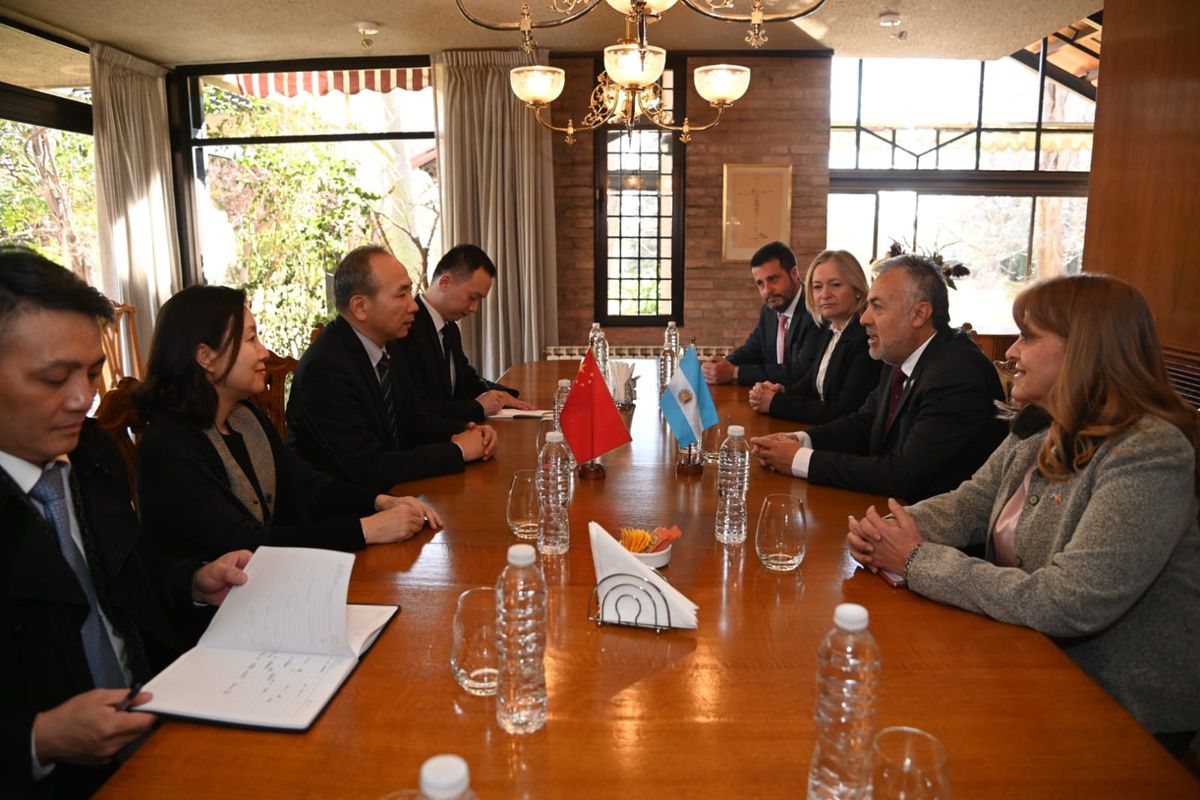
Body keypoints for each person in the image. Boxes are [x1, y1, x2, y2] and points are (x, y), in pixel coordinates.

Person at [846, 274, 1200, 747]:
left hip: (1119, 719)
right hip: (1025, 666)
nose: (1010, 352)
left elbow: (1069, 601)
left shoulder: (1150, 452)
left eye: (1028, 337)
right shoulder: (1038, 431)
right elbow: (969, 503)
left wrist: (914, 559)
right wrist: (884, 533)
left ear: (1085, 349)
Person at [0, 247, 250, 797]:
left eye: (92, 373)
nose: (82, 399)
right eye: (52, 379)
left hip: (157, 718)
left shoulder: (91, 454)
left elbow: (122, 584)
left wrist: (191, 582)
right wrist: (39, 739)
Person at [135, 285, 441, 563]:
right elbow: (244, 543)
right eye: (251, 339)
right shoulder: (169, 446)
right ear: (206, 357)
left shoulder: (246, 418)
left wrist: (378, 501)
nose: (264, 352)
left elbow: (306, 484)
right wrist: (364, 530)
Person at [750, 254, 1005, 502]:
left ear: (919, 314)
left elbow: (904, 475)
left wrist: (798, 459)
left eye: (877, 307)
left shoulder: (958, 373)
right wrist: (801, 439)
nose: (864, 318)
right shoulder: (901, 353)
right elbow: (864, 423)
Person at [286, 246, 497, 493]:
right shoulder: (325, 369)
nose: (414, 306)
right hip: (346, 511)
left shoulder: (388, 347)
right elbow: (369, 467)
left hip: (394, 496)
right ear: (360, 307)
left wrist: (468, 431)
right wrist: (458, 451)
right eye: (401, 295)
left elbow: (414, 419)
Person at [395, 243, 531, 422]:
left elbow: (466, 380)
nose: (475, 308)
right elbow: (418, 408)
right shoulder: (405, 329)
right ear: (445, 282)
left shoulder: (450, 328)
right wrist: (478, 407)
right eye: (472, 298)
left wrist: (506, 395)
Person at [747, 249, 881, 424]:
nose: (824, 294)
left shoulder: (865, 338)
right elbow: (811, 383)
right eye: (817, 287)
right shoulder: (830, 329)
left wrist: (776, 402)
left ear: (857, 289)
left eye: (835, 285)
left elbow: (843, 412)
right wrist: (781, 391)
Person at [701, 241, 822, 387]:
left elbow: (799, 371)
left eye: (773, 279)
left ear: (794, 274)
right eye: (760, 283)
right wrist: (721, 365)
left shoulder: (815, 311)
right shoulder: (769, 311)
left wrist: (735, 372)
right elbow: (752, 350)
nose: (766, 290)